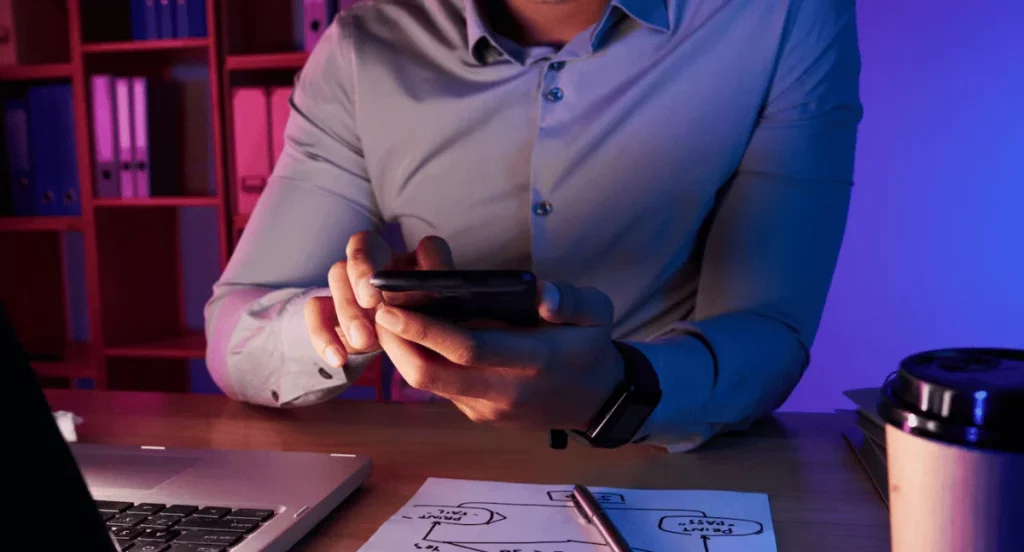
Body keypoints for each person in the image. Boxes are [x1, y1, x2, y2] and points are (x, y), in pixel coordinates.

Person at [205, 0, 862, 451]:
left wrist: (617, 389)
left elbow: (769, 333)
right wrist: (334, 328)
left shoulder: (780, 18)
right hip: (445, 485)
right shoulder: (362, 52)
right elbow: (233, 329)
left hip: (673, 462)